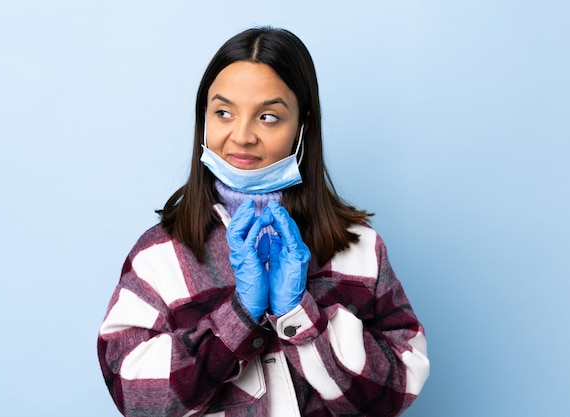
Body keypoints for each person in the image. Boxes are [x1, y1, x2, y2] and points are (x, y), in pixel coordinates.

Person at [98, 26, 429, 417]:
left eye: (269, 117)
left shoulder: (359, 247)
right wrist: (239, 316)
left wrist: (300, 315)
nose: (242, 136)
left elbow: (399, 388)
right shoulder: (158, 255)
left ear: (302, 125)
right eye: (223, 112)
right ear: (202, 119)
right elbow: (134, 396)